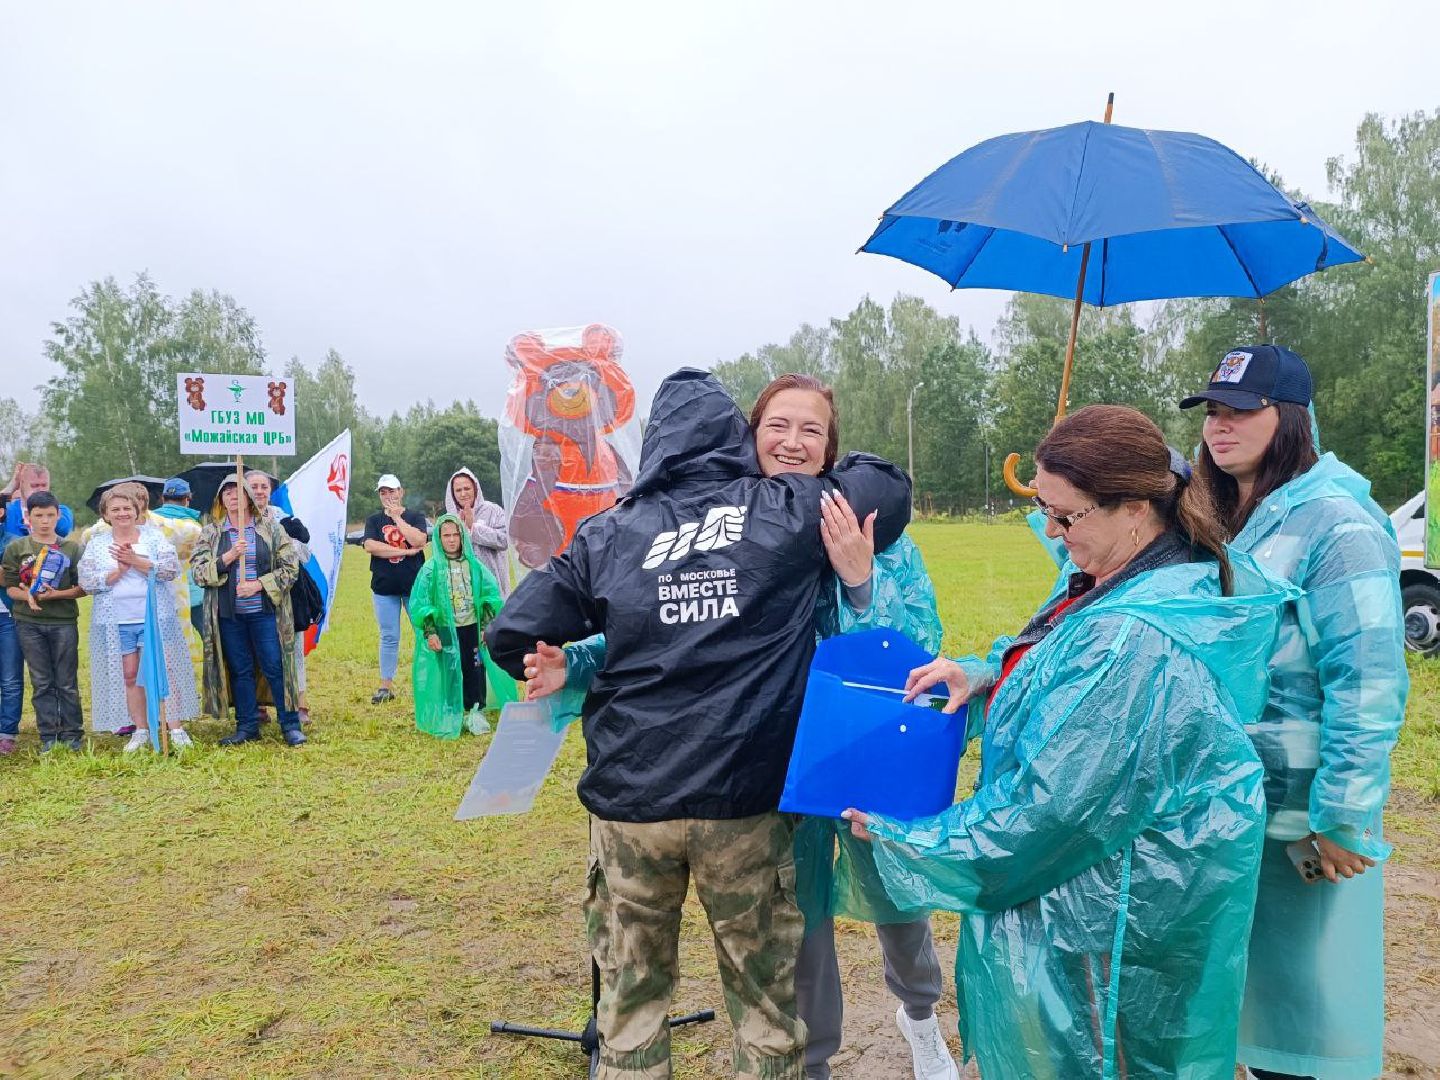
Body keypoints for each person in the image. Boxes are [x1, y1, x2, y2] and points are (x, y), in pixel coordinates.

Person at [840, 405, 1295, 1079]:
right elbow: (1058, 651)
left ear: (1135, 507)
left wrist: (913, 838)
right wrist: (986, 670)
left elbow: (1046, 819)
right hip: (1111, 906)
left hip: (1112, 928)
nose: (1051, 531)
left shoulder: (1135, 643)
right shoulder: (1131, 576)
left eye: (1065, 516)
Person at [487, 368, 913, 1080]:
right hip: (741, 805)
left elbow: (512, 630)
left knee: (631, 1002)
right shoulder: (786, 509)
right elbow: (888, 489)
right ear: (737, 439)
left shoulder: (609, 532)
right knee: (764, 1011)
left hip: (632, 807)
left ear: (654, 447)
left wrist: (550, 653)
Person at [1180, 345, 1409, 1080]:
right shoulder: (1233, 515)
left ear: (1291, 420)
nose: (1221, 425)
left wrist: (1341, 812)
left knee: (1303, 1018)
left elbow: (1368, 676)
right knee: (1249, 1008)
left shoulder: (1336, 523)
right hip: (1232, 807)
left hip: (1302, 817)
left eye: (1243, 409)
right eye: (1213, 409)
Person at [77, 487, 199, 751]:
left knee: (161, 671)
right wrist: (117, 572)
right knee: (130, 675)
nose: (122, 513)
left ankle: (174, 727)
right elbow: (87, 581)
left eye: (127, 509)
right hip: (116, 621)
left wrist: (136, 561)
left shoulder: (154, 538)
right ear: (106, 514)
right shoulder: (98, 543)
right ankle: (141, 728)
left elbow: (169, 571)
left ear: (137, 511)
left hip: (154, 616)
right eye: (115, 509)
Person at [192, 475, 306, 746]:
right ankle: (247, 725)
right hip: (230, 616)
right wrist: (228, 558)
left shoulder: (271, 529)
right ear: (221, 500)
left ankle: (290, 724)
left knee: (274, 667)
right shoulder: (211, 533)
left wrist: (257, 585)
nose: (233, 496)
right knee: (240, 670)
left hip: (266, 613)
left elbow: (291, 569)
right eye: (227, 492)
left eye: (238, 491)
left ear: (249, 498)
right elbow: (198, 572)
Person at [0, 491, 85, 751]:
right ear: (29, 517)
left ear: (58, 516)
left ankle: (73, 734)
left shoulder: (72, 548)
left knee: (67, 681)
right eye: (39, 515)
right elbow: (11, 587)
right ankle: (48, 736)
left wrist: (56, 594)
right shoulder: (17, 548)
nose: (45, 521)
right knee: (41, 681)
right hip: (28, 623)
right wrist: (29, 597)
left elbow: (83, 587)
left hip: (63, 622)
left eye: (50, 515)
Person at [408, 514, 503, 738]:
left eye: (455, 535)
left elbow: (490, 595)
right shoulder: (430, 569)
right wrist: (431, 632)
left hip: (471, 627)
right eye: (446, 535)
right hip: (445, 630)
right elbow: (422, 603)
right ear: (439, 538)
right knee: (449, 670)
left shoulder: (474, 566)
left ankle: (475, 709)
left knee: (475, 668)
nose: (451, 540)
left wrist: (485, 627)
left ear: (462, 537)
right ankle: (453, 710)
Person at [247, 469, 315, 725]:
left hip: (286, 595)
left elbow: (304, 555)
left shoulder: (284, 518)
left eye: (264, 486)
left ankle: (299, 704)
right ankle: (260, 705)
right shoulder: (239, 520)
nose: (259, 491)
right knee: (255, 650)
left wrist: (283, 542)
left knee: (292, 650)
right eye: (254, 486)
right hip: (252, 594)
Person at [362, 474, 428, 704]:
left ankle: (429, 680)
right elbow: (370, 545)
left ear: (401, 492)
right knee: (389, 636)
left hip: (414, 587)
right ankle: (386, 686)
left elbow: (419, 540)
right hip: (384, 588)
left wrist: (397, 519)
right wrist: (404, 552)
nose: (388, 496)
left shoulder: (415, 516)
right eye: (383, 492)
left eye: (392, 491)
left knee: (424, 632)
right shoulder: (373, 520)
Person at [153, 477, 206, 639]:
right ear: (187, 499)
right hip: (195, 593)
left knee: (168, 643)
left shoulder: (150, 522)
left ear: (163, 498)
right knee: (210, 638)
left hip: (161, 593)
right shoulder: (194, 526)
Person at [446, 468, 510, 597]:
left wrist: (472, 528)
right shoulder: (449, 519)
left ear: (475, 488)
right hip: (461, 590)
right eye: (458, 490)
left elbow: (504, 540)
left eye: (467, 488)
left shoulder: (493, 511)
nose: (463, 494)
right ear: (452, 494)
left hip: (493, 585)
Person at [1, 463, 75, 543]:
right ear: (21, 484)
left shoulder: (61, 510)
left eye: (44, 485)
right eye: (34, 485)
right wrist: (11, 487)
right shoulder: (8, 512)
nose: (40, 490)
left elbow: (62, 530)